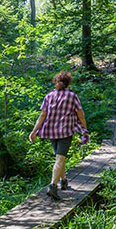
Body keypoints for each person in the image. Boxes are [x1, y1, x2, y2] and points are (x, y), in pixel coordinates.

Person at [29, 71, 89, 200]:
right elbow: (80, 115)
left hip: (51, 132)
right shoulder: (72, 96)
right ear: (68, 83)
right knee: (60, 159)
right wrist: (84, 129)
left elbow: (42, 115)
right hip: (66, 131)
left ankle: (64, 181)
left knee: (59, 157)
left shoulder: (49, 96)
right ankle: (53, 185)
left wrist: (34, 131)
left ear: (56, 81)